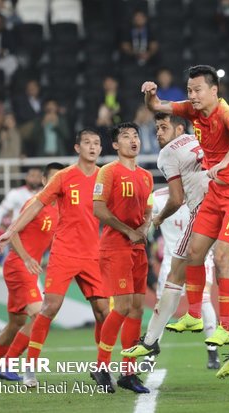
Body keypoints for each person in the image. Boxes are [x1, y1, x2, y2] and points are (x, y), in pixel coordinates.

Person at [119, 114, 229, 374]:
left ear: (179, 127)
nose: (158, 132)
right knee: (227, 278)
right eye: (156, 128)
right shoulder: (202, 139)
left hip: (206, 213)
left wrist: (158, 219)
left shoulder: (166, 154)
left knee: (176, 274)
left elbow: (176, 199)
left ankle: (152, 341)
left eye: (164, 127)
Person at [142, 65, 229, 348]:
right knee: (194, 254)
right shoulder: (193, 111)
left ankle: (226, 328)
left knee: (221, 260)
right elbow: (157, 105)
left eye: (197, 90)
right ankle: (194, 314)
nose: (192, 95)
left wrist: (225, 162)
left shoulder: (225, 112)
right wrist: (150, 95)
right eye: (190, 90)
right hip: (215, 194)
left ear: (213, 91)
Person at [0, 129, 110, 388]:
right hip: (65, 253)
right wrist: (11, 231)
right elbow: (36, 204)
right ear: (77, 147)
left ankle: (102, 368)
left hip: (92, 255)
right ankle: (30, 369)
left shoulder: (106, 175)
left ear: (101, 149)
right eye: (88, 143)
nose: (93, 147)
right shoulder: (65, 177)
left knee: (104, 312)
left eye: (97, 143)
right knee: (50, 308)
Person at [0, 163, 64, 381]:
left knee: (16, 323)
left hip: (28, 269)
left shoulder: (58, 207)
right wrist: (26, 258)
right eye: (52, 179)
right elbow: (12, 232)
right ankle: (7, 364)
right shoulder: (35, 203)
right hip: (18, 266)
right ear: (44, 181)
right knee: (39, 316)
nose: (56, 183)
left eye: (59, 179)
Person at [92, 122, 154, 394]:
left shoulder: (145, 176)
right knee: (123, 306)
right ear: (115, 145)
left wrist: (142, 228)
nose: (133, 140)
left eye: (136, 136)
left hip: (137, 246)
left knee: (138, 308)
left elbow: (149, 210)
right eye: (126, 136)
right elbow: (98, 209)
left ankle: (128, 371)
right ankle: (101, 366)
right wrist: (128, 231)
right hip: (115, 245)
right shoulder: (108, 172)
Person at [0, 167, 43, 284]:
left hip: (38, 234)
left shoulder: (44, 194)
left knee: (27, 263)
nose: (35, 179)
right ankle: (37, 292)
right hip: (18, 234)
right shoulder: (16, 193)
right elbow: (1, 211)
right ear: (26, 178)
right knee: (28, 263)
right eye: (32, 175)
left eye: (38, 176)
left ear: (42, 179)